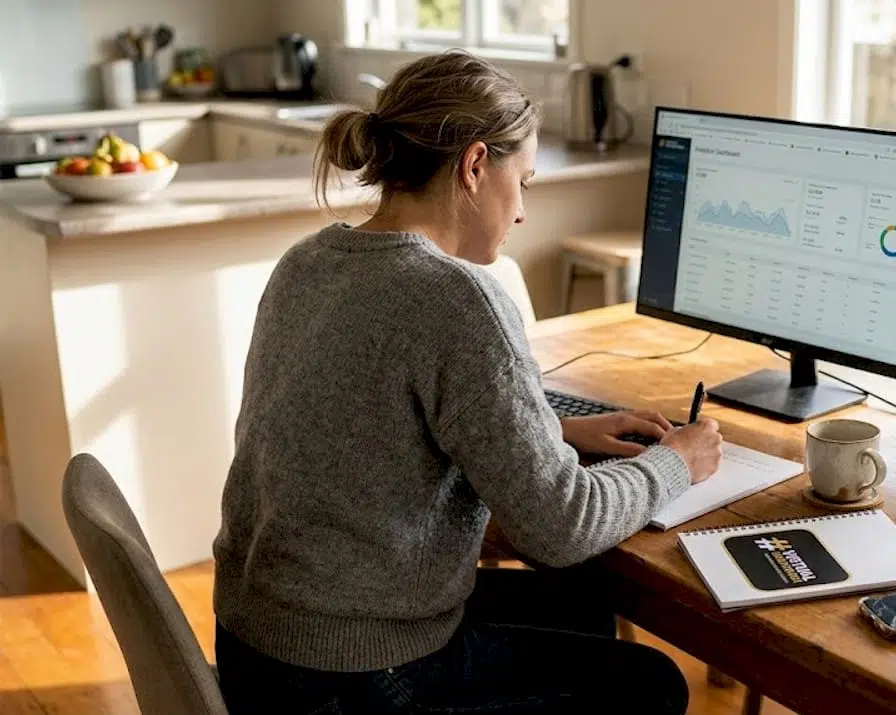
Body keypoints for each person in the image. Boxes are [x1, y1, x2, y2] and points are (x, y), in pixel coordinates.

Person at [211, 49, 724, 714]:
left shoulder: (307, 260)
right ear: (475, 165)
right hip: (350, 676)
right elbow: (561, 528)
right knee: (650, 683)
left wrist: (553, 429)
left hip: (259, 649)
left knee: (579, 605)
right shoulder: (456, 299)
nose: (523, 212)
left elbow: (367, 429)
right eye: (524, 183)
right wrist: (677, 461)